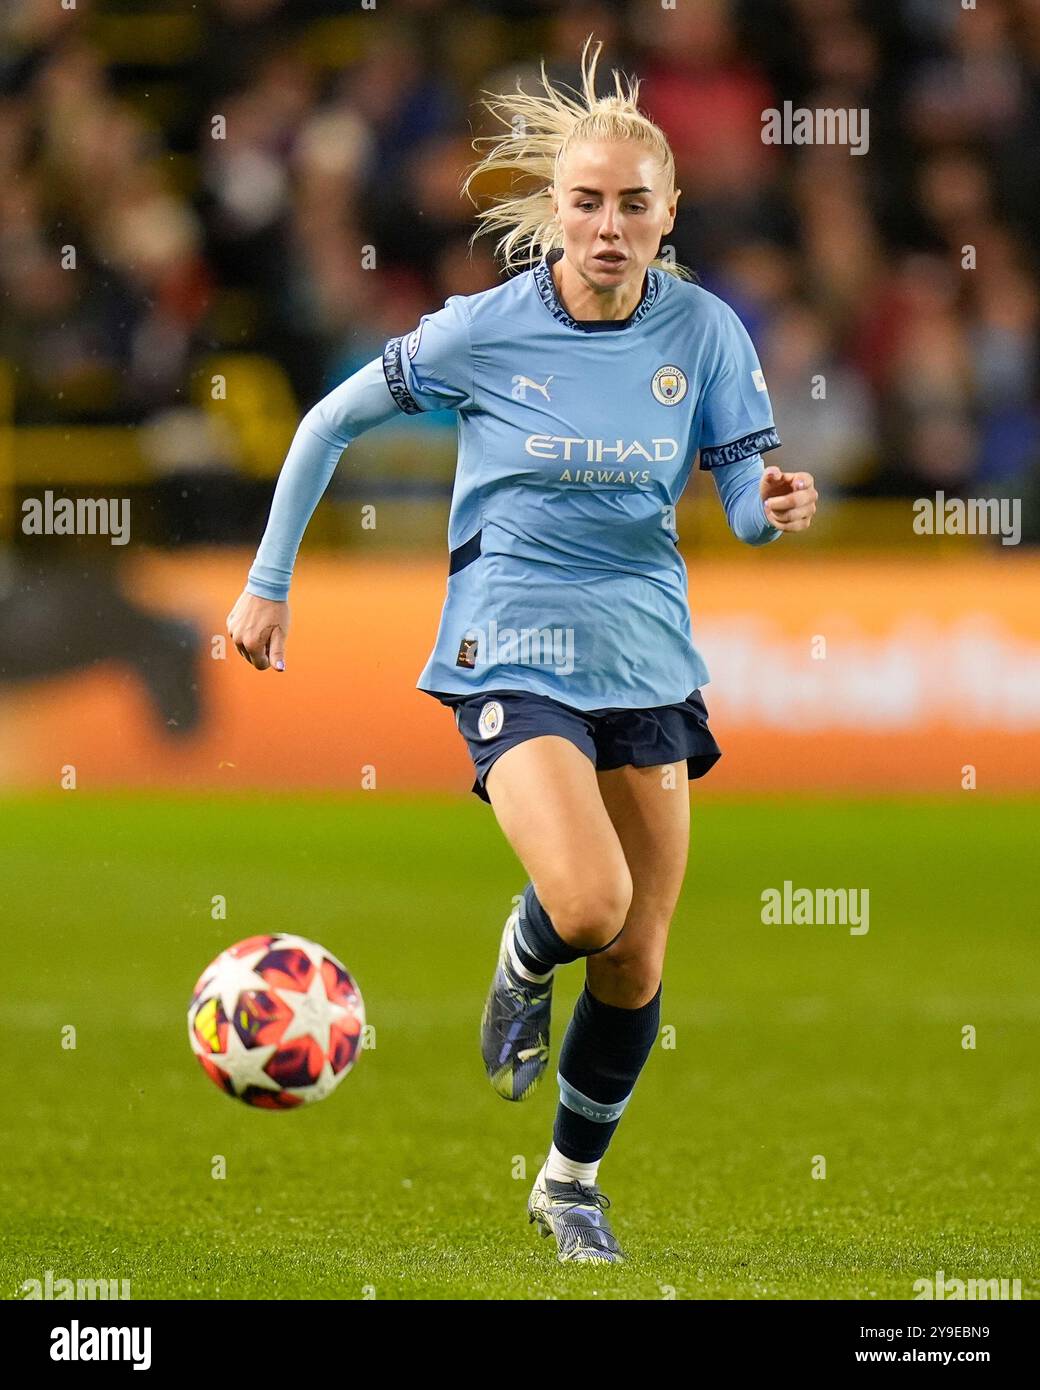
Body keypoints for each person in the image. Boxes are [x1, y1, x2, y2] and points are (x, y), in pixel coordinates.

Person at [226, 36, 817, 1264]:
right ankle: (523, 947)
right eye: (587, 203)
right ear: (554, 211)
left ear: (667, 215)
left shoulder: (703, 333)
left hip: (646, 650)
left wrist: (776, 502)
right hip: (511, 637)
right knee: (590, 903)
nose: (608, 226)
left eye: (632, 205)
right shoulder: (481, 333)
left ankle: (566, 1182)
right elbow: (328, 421)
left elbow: (745, 505)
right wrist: (266, 585)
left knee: (639, 956)